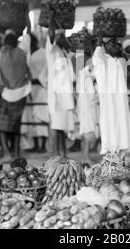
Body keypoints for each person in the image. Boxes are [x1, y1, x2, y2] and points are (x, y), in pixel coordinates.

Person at [93, 34, 130, 158]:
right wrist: (99, 42)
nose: (115, 45)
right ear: (105, 45)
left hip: (121, 101)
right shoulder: (101, 58)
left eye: (116, 43)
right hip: (109, 102)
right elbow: (97, 56)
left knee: (122, 128)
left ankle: (120, 160)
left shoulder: (120, 60)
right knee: (110, 128)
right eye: (111, 43)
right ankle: (110, 160)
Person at [0, 30, 31, 161]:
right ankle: (16, 153)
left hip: (8, 94)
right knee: (16, 125)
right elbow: (27, 71)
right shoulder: (22, 53)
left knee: (1, 127)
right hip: (22, 92)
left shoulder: (3, 53)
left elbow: (0, 73)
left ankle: (6, 154)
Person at [46, 13, 75, 158]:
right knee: (57, 126)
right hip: (56, 95)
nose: (62, 38)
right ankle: (57, 154)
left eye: (63, 36)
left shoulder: (64, 52)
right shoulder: (51, 49)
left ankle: (63, 153)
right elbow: (50, 35)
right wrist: (51, 18)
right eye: (59, 37)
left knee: (63, 126)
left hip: (66, 95)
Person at [21, 33, 49, 153]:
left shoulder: (43, 52)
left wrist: (39, 80)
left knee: (40, 115)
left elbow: (46, 71)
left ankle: (43, 145)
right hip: (30, 88)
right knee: (32, 115)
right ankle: (35, 144)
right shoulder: (27, 54)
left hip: (41, 88)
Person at [77, 39, 99, 163]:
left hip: (91, 104)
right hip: (86, 104)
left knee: (91, 129)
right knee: (87, 129)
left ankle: (87, 155)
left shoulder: (88, 73)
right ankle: (85, 156)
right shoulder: (84, 73)